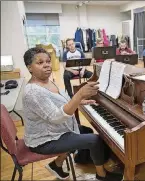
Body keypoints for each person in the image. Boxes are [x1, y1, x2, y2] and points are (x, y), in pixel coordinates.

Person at [22, 47, 122, 181]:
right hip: (44, 141)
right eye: (40, 63)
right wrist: (79, 95)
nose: (46, 65)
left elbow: (60, 103)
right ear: (30, 68)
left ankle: (57, 164)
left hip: (54, 131)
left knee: (84, 130)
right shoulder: (33, 92)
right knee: (94, 140)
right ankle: (101, 175)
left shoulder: (47, 81)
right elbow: (56, 117)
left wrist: (79, 101)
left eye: (48, 61)